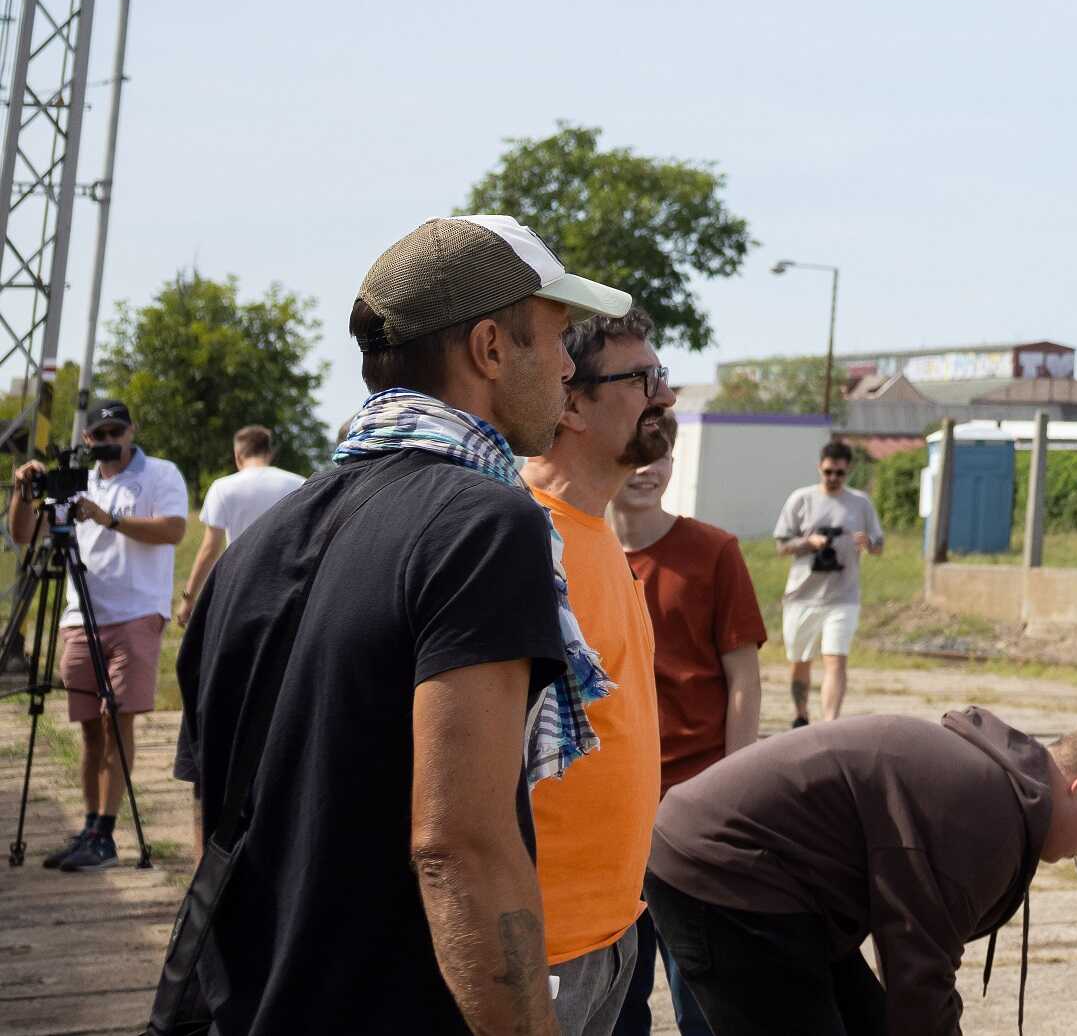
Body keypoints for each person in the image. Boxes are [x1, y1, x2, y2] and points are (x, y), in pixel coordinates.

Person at [164, 213, 638, 1036]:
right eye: (557, 338)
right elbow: (461, 846)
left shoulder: (256, 547)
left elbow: (215, 825)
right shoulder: (486, 525)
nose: (569, 367)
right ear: (490, 348)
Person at [644, 705, 1077, 1035]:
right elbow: (919, 973)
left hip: (777, 885)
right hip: (723, 871)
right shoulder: (990, 820)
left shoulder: (1002, 788)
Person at [524, 311, 678, 1036]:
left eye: (663, 376)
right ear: (572, 403)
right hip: (539, 953)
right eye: (642, 380)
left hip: (618, 931)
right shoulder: (520, 537)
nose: (665, 396)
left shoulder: (598, 535)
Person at [8, 397, 187, 873]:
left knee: (118, 719)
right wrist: (21, 491)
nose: (108, 442)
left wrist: (107, 517)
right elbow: (25, 536)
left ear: (130, 432)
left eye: (116, 433)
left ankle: (105, 835)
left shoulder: (161, 474)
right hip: (79, 615)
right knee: (89, 728)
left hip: (136, 613)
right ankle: (89, 826)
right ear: (87, 439)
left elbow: (173, 530)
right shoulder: (73, 480)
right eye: (99, 436)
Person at [618, 447, 766, 789]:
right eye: (635, 456)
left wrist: (734, 781)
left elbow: (745, 678)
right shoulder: (572, 549)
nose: (645, 470)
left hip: (697, 776)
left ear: (672, 462)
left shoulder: (715, 551)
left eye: (658, 456)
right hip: (611, 774)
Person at [771, 440, 884, 727]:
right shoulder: (801, 499)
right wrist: (808, 542)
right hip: (802, 595)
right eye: (828, 472)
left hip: (842, 596)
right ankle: (801, 714)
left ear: (849, 471)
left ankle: (830, 723)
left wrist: (868, 544)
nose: (833, 478)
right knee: (800, 660)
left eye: (839, 474)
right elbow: (781, 545)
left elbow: (879, 545)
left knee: (836, 660)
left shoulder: (860, 502)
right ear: (819, 468)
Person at [178, 425, 305, 627]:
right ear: (269, 453)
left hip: (238, 588)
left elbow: (210, 550)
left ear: (238, 454)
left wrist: (189, 597)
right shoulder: (300, 484)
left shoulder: (222, 488)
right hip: (287, 589)